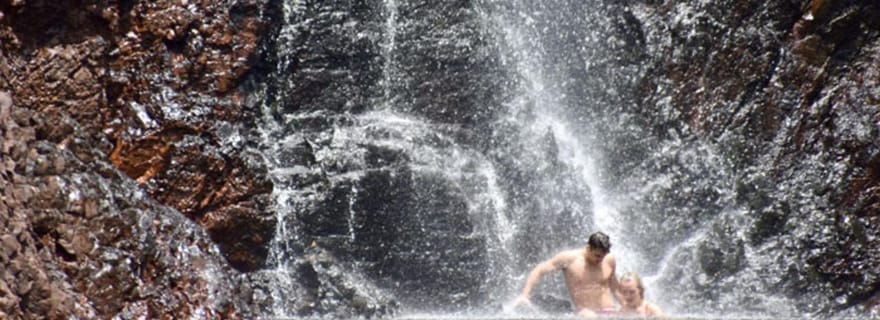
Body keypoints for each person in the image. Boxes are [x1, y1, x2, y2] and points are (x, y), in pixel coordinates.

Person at [514, 232, 621, 318]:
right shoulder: (569, 259)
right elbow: (539, 270)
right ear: (588, 248)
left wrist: (630, 305)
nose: (600, 260)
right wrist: (524, 295)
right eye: (597, 256)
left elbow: (615, 287)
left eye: (603, 256)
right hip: (585, 314)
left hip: (609, 312)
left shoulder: (609, 260)